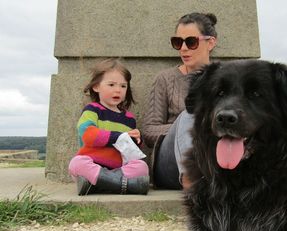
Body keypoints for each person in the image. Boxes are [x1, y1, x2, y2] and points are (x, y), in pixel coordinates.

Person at [143, 13, 218, 189]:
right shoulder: (165, 79)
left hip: (213, 158)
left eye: (191, 42)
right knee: (189, 115)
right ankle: (193, 181)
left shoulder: (224, 78)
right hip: (170, 165)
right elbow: (148, 131)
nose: (183, 48)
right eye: (178, 42)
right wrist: (186, 126)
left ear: (211, 43)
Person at [69, 58, 149, 195]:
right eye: (111, 85)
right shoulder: (92, 110)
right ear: (96, 86)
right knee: (76, 163)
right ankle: (123, 185)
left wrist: (137, 141)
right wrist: (118, 136)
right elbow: (87, 135)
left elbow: (130, 151)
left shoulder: (129, 118)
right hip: (92, 163)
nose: (118, 90)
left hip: (118, 167)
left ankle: (97, 184)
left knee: (142, 167)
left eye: (123, 86)